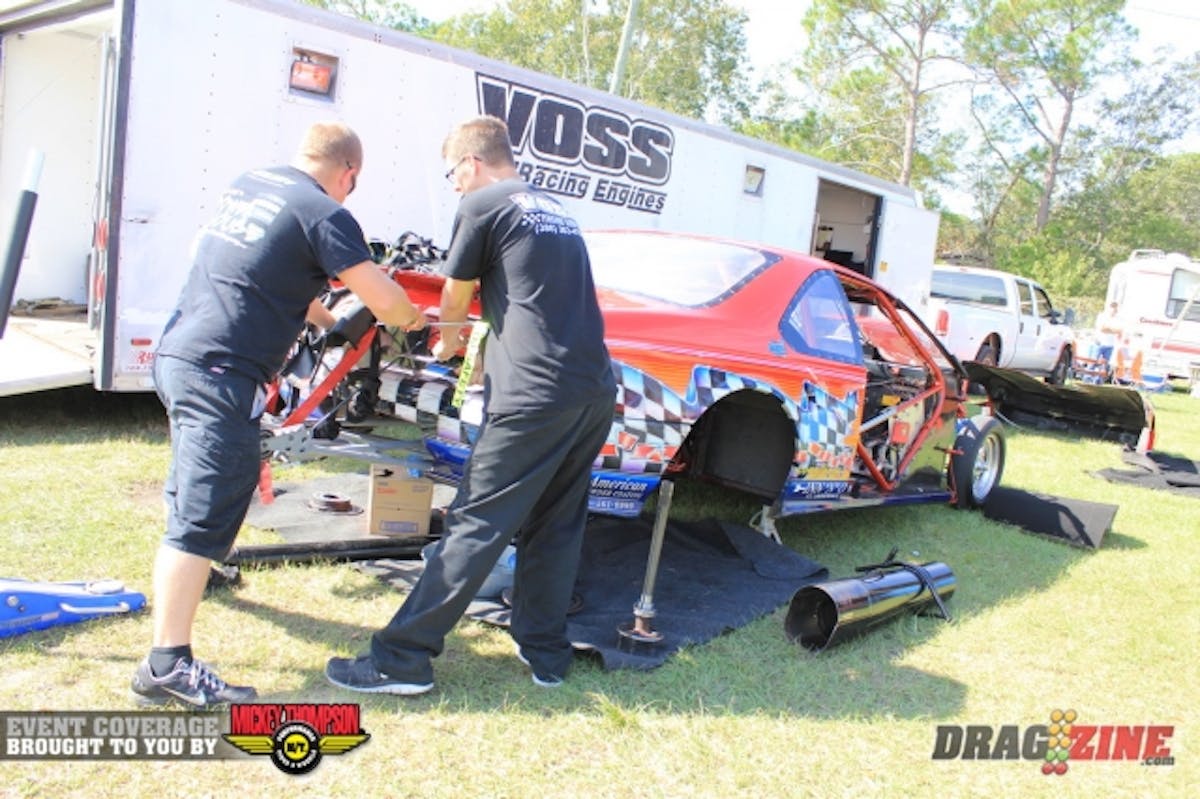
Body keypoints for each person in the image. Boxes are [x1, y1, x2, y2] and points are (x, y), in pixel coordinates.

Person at [132, 122, 428, 708]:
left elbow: (264, 271)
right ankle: (166, 664)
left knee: (198, 485)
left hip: (180, 354)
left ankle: (203, 575)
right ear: (349, 175)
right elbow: (388, 302)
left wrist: (321, 320)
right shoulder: (325, 214)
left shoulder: (252, 186)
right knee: (205, 503)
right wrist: (412, 320)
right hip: (222, 371)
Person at [325, 115, 616, 694]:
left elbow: (456, 294)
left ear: (471, 163)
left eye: (452, 173)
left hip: (534, 392)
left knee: (477, 523)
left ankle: (401, 659)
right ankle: (546, 655)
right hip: (593, 389)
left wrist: (449, 345)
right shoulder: (554, 207)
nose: (453, 185)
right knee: (556, 525)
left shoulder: (483, 204)